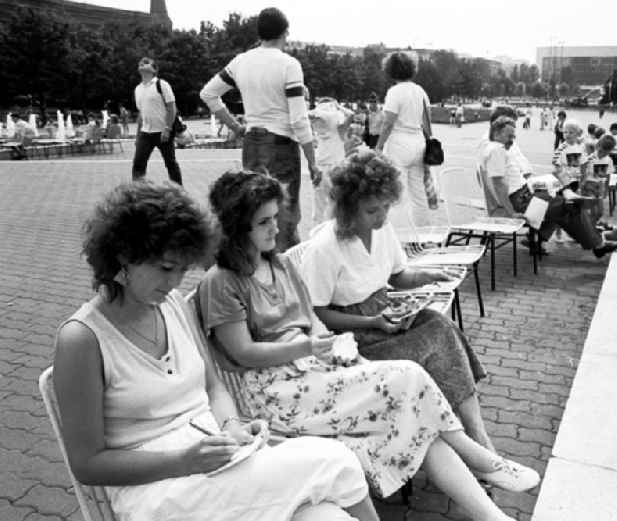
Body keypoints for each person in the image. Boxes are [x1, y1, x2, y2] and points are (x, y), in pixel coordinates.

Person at [198, 172, 538, 520]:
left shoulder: (280, 264)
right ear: (238, 228)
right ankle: (481, 458)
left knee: (419, 425)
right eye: (263, 222)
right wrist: (311, 348)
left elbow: (311, 321)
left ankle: (494, 517)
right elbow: (243, 353)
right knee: (409, 377)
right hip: (275, 392)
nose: (275, 227)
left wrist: (346, 354)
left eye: (275, 217)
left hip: (314, 372)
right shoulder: (221, 282)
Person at [52, 181, 380, 521]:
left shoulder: (172, 305)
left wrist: (232, 424)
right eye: (165, 268)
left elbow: (213, 387)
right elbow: (88, 464)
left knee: (327, 515)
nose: (174, 282)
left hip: (215, 461)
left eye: (182, 269)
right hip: (156, 489)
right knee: (335, 461)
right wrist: (183, 461)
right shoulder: (82, 339)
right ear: (123, 254)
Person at [300, 151, 502, 452]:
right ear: (346, 209)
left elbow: (398, 276)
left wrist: (428, 276)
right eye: (371, 211)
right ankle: (469, 440)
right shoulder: (324, 248)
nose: (381, 217)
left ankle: (476, 436)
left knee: (440, 326)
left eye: (385, 207)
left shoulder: (382, 230)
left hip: (385, 316)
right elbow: (317, 314)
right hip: (352, 338)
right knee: (435, 343)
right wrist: (371, 322)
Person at [200, 7, 319, 252]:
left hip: (252, 143)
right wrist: (312, 162)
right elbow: (298, 119)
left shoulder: (241, 61)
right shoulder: (289, 64)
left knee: (256, 215)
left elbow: (208, 94)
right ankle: (283, 278)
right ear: (285, 33)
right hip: (281, 144)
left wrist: (235, 125)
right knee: (284, 219)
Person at [482, 109, 617, 259]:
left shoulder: (494, 148)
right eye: (509, 136)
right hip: (521, 201)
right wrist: (511, 213)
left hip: (525, 193)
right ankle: (598, 244)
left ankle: (544, 238)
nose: (512, 140)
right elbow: (498, 184)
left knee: (559, 197)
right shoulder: (497, 150)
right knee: (570, 206)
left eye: (513, 136)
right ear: (497, 133)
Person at [375, 52, 435, 228]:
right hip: (418, 143)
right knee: (418, 194)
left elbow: (388, 123)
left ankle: (401, 236)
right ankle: (423, 233)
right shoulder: (420, 91)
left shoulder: (394, 92)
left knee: (397, 194)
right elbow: (427, 122)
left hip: (399, 144)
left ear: (390, 70)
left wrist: (378, 146)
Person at [132, 57, 183, 185]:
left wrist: (168, 129)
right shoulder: (137, 89)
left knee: (170, 163)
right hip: (145, 133)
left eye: (146, 62)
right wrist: (137, 135)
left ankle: (179, 190)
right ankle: (138, 192)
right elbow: (141, 114)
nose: (142, 63)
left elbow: (172, 108)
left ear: (154, 69)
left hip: (163, 132)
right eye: (140, 62)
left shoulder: (162, 85)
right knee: (138, 163)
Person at [308, 98, 352, 226]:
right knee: (338, 204)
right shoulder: (339, 130)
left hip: (320, 167)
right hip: (337, 168)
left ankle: (316, 235)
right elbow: (351, 115)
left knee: (318, 206)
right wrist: (339, 106)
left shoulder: (317, 128)